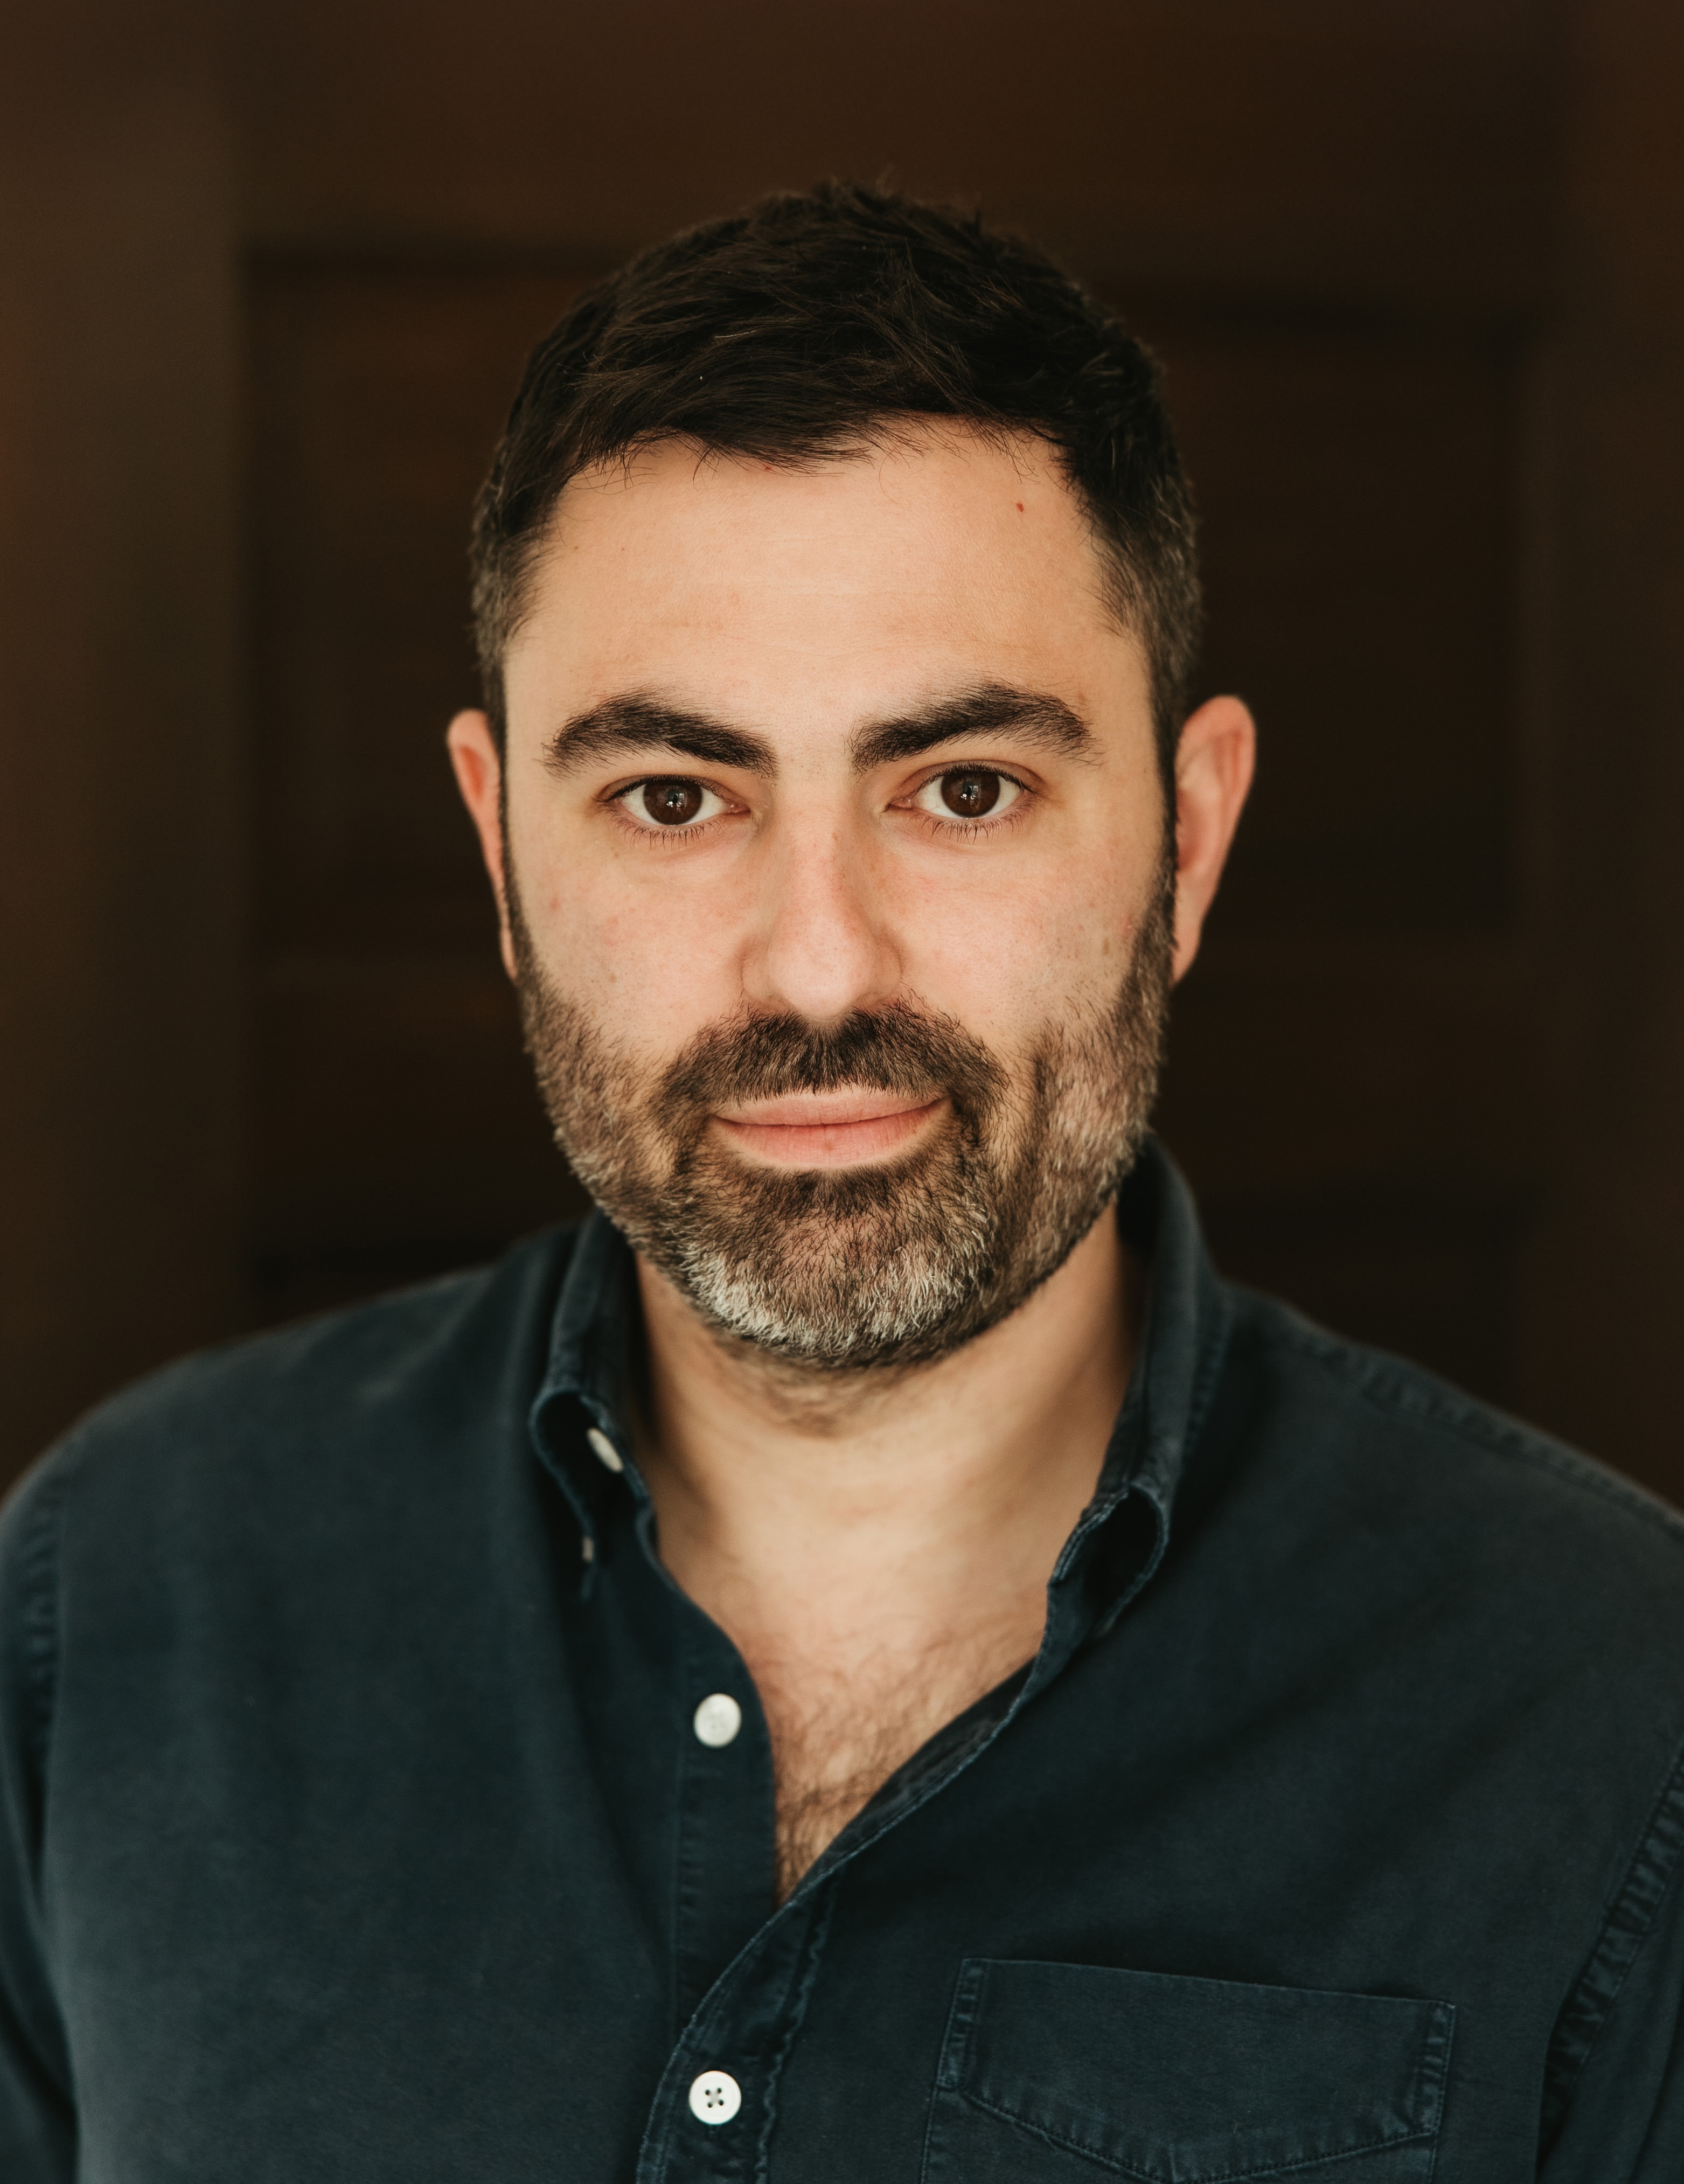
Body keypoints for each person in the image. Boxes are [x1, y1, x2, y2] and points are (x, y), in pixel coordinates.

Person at [2, 182, 1681, 2183]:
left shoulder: (1612, 1716)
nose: (818, 966)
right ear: (501, 853)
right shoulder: (110, 1602)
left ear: (1191, 842)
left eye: (962, 789)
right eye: (674, 797)